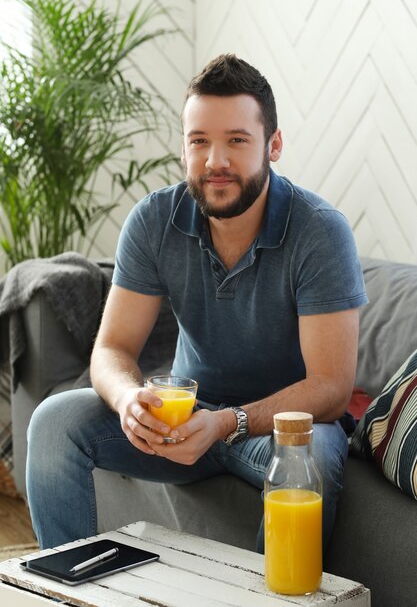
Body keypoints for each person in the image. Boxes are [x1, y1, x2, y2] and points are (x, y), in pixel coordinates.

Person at [26, 54, 367, 550]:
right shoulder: (154, 220)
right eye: (199, 142)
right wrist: (128, 402)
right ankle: (73, 589)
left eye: (236, 141)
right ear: (184, 148)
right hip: (183, 417)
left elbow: (333, 388)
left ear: (273, 145)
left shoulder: (319, 231)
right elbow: (112, 349)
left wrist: (228, 422)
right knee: (54, 422)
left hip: (279, 428)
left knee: (306, 461)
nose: (215, 162)